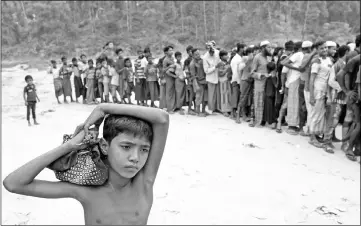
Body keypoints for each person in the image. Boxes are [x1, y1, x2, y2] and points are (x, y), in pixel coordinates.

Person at [3, 104, 169, 225]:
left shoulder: (144, 183)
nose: (135, 158)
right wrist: (68, 146)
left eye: (144, 150)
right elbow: (13, 183)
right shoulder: (86, 190)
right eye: (126, 147)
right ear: (104, 146)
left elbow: (162, 118)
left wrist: (104, 109)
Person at [323, 45, 350, 152]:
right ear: (346, 52)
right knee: (333, 119)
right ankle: (327, 142)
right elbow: (330, 81)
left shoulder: (344, 64)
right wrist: (342, 88)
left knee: (338, 119)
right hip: (336, 96)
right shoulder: (337, 65)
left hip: (342, 96)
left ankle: (333, 140)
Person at [308, 41, 333, 148]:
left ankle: (316, 133)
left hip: (325, 89)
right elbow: (311, 79)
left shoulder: (328, 60)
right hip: (317, 89)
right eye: (322, 48)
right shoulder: (316, 61)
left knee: (321, 113)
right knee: (315, 113)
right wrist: (312, 96)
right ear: (317, 50)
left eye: (326, 48)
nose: (325, 50)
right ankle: (312, 137)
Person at [336, 54, 360, 161]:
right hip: (356, 96)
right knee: (356, 123)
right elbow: (340, 74)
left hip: (355, 95)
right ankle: (348, 147)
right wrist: (347, 91)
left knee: (356, 123)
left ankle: (354, 147)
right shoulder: (356, 59)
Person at [281, 41, 304, 135]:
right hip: (294, 80)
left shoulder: (299, 54)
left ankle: (295, 124)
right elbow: (284, 63)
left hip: (297, 80)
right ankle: (291, 125)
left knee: (296, 103)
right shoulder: (298, 54)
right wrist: (298, 69)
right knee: (293, 103)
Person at [249, 40, 272, 128]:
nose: (270, 49)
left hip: (268, 84)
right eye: (268, 47)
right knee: (258, 103)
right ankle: (257, 121)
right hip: (259, 83)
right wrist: (262, 75)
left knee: (265, 103)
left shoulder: (268, 57)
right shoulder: (257, 57)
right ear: (263, 48)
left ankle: (264, 120)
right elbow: (252, 73)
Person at [236, 47, 255, 123]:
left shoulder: (253, 60)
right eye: (252, 52)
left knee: (247, 99)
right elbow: (240, 69)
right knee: (243, 98)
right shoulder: (245, 59)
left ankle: (244, 115)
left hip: (250, 80)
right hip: (245, 81)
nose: (253, 54)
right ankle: (238, 116)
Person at [203, 42, 221, 114]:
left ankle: (217, 108)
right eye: (210, 52)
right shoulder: (205, 57)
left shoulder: (217, 53)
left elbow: (219, 60)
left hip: (218, 76)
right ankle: (211, 108)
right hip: (210, 78)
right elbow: (206, 71)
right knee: (211, 94)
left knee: (217, 94)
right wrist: (215, 67)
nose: (212, 53)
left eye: (212, 51)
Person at [189, 48, 208, 117]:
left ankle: (203, 110)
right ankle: (198, 112)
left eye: (198, 54)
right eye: (196, 54)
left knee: (204, 97)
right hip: (198, 82)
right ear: (193, 55)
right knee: (198, 97)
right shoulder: (192, 64)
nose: (198, 55)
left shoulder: (202, 60)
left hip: (204, 81)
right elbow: (193, 76)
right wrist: (196, 85)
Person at [230, 43, 246, 119]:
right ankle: (233, 113)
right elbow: (235, 72)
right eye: (244, 48)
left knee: (239, 97)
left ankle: (238, 113)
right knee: (235, 97)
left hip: (239, 80)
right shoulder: (235, 59)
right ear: (241, 49)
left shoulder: (240, 58)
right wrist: (239, 81)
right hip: (236, 80)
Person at [216, 50, 232, 117]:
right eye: (225, 55)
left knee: (228, 95)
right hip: (222, 81)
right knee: (223, 96)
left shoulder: (227, 62)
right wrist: (226, 69)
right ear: (221, 57)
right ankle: (224, 110)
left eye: (227, 55)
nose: (227, 56)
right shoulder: (220, 63)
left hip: (227, 80)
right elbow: (220, 74)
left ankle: (228, 109)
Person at [163, 46, 177, 113]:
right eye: (170, 50)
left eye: (172, 50)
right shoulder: (165, 60)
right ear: (166, 52)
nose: (171, 51)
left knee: (173, 92)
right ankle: (169, 108)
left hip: (173, 77)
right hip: (168, 77)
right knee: (169, 93)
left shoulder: (172, 58)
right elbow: (163, 70)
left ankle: (173, 107)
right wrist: (169, 66)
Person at [184, 45, 196, 115]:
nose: (191, 52)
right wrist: (189, 79)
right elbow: (186, 70)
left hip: (195, 78)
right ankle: (189, 109)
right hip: (190, 79)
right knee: (191, 94)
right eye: (190, 51)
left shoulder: (195, 59)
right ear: (188, 52)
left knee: (195, 94)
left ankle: (194, 107)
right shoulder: (187, 60)